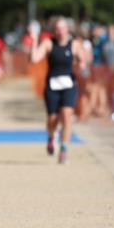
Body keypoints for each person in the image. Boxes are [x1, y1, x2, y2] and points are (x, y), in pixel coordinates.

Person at [31, 17, 87, 164]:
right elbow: (35, 58)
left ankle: (64, 148)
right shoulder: (49, 43)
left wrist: (81, 63)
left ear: (67, 30)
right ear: (54, 31)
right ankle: (51, 136)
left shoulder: (74, 44)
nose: (60, 31)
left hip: (69, 85)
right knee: (52, 119)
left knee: (67, 115)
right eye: (57, 29)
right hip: (52, 86)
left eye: (62, 28)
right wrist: (34, 40)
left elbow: (83, 60)